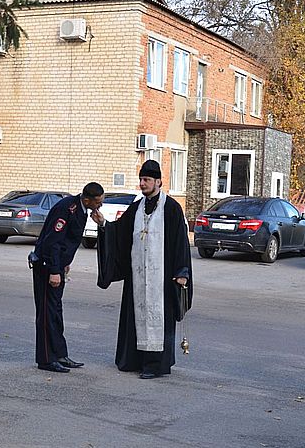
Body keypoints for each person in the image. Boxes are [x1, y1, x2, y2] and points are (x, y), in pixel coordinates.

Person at [95, 160, 192, 379]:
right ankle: (135, 360)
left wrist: (182, 272)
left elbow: (180, 243)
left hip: (163, 278)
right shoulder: (137, 207)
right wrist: (103, 224)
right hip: (138, 276)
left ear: (159, 181)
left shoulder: (172, 208)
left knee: (158, 319)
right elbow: (119, 233)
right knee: (137, 317)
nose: (142, 183)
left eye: (147, 180)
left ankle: (155, 366)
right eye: (141, 179)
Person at [30, 183, 105, 372]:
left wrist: (65, 262)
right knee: (47, 313)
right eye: (98, 202)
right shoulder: (67, 209)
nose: (100, 206)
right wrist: (54, 270)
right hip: (47, 267)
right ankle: (46, 359)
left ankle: (60, 354)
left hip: (58, 265)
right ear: (87, 199)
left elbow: (67, 242)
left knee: (56, 311)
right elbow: (53, 242)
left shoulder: (80, 208)